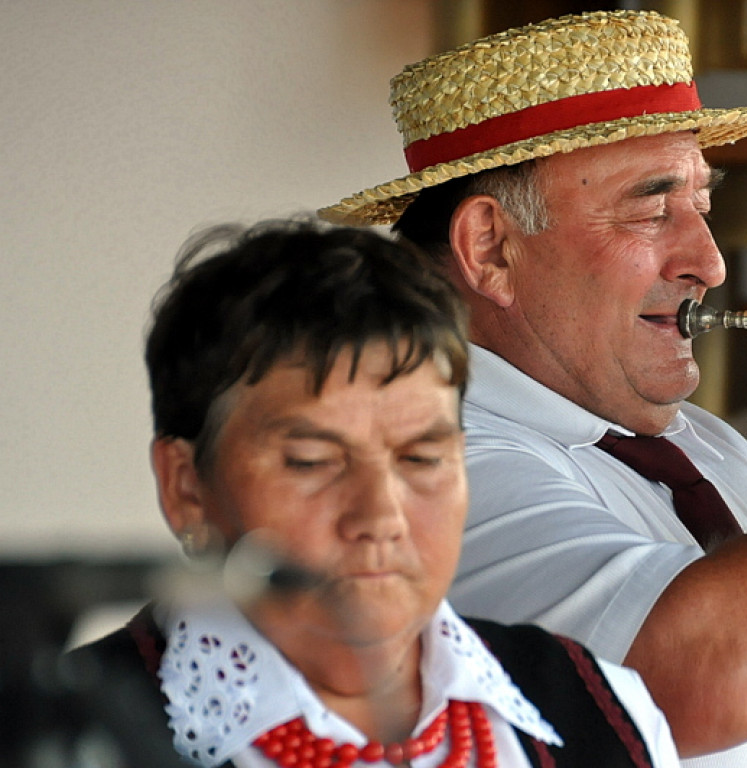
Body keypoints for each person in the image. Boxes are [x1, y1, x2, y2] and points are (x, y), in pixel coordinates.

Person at [319, 10, 747, 768]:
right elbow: (685, 685)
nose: (710, 262)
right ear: (490, 248)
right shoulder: (422, 465)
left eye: (703, 206)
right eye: (653, 208)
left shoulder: (701, 446)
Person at [64, 219, 680, 768]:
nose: (380, 516)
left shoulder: (597, 708)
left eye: (422, 457)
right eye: (311, 462)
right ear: (185, 487)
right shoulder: (67, 735)